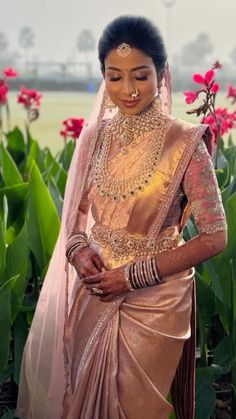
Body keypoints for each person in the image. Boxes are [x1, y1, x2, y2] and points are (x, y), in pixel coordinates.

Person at [16, 15, 227, 419]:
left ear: (162, 73)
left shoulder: (187, 144)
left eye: (140, 76)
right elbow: (77, 217)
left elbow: (215, 237)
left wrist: (133, 276)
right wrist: (79, 253)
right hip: (94, 290)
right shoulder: (95, 136)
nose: (127, 90)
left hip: (155, 302)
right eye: (115, 77)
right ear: (103, 77)